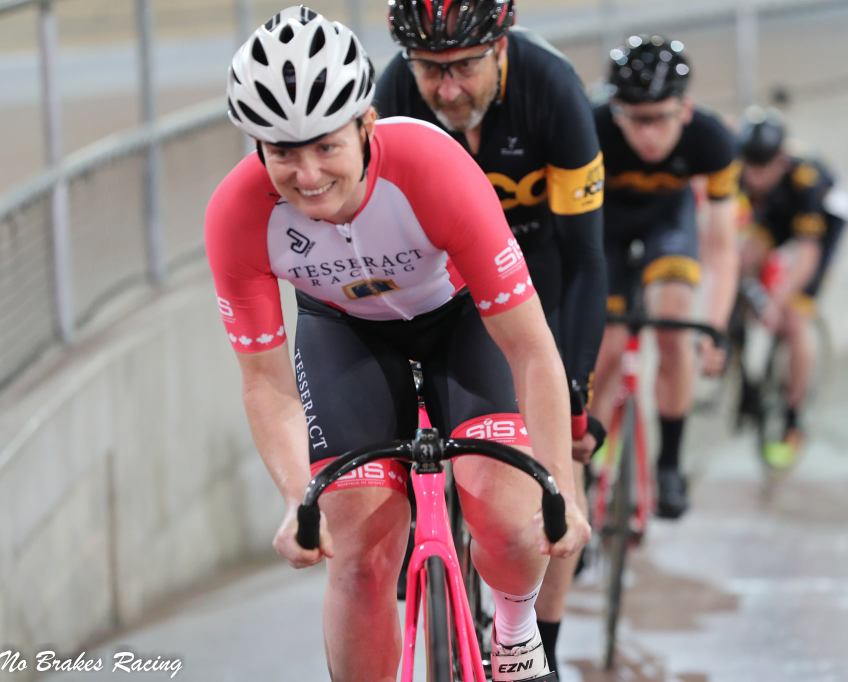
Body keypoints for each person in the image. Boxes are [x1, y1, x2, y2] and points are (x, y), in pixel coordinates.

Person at [205, 7, 588, 681]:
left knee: (509, 517)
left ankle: (514, 627)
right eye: (283, 153)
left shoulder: (432, 166)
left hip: (461, 319)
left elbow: (531, 347)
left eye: (326, 146)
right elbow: (265, 381)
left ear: (366, 124)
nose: (307, 174)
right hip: (344, 333)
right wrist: (298, 497)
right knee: (358, 557)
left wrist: (559, 488)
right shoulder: (237, 215)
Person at [375, 0, 607, 673]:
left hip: (537, 274)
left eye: (463, 67)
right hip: (439, 286)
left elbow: (586, 260)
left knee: (557, 464)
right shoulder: (394, 95)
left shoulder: (552, 90)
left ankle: (543, 647)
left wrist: (575, 387)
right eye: (430, 69)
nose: (447, 89)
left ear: (501, 48)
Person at [590, 35, 740, 519]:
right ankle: (586, 466)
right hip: (604, 227)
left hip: (668, 224)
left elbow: (721, 245)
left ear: (686, 109)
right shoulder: (590, 127)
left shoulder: (712, 140)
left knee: (675, 326)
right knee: (605, 349)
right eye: (636, 120)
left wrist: (714, 326)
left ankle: (669, 463)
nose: (649, 135)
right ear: (616, 112)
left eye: (660, 118)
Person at [735, 106, 848, 464]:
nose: (754, 178)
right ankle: (741, 364)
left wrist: (776, 300)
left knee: (794, 318)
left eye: (763, 168)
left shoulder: (807, 179)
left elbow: (807, 253)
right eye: (750, 167)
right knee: (740, 260)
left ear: (781, 161)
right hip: (778, 215)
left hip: (823, 227)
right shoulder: (742, 170)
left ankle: (793, 418)